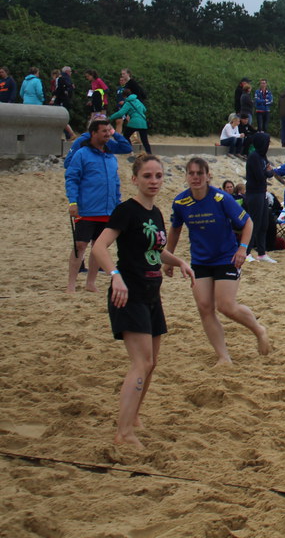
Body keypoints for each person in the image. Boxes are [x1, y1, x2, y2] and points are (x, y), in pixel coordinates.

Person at [89, 154, 193, 448]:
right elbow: (99, 247)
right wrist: (115, 275)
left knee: (152, 363)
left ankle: (133, 416)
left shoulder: (156, 213)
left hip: (151, 293)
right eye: (147, 176)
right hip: (129, 293)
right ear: (134, 179)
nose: (154, 181)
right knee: (141, 362)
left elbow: (156, 250)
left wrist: (179, 261)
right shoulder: (126, 211)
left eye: (158, 176)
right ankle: (123, 433)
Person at [165, 157, 270, 365]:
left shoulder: (221, 198)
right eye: (191, 173)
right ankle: (223, 356)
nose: (195, 177)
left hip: (226, 257)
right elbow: (175, 229)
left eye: (200, 173)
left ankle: (259, 330)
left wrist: (242, 249)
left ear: (208, 176)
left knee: (226, 306)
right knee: (204, 307)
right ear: (186, 176)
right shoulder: (180, 202)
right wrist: (169, 258)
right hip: (200, 260)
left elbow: (248, 222)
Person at [64, 117, 133, 293]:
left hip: (108, 209)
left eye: (109, 131)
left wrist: (117, 204)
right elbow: (72, 178)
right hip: (87, 209)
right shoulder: (82, 153)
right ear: (93, 133)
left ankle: (90, 282)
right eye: (104, 131)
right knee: (80, 245)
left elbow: (115, 183)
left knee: (99, 247)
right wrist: (73, 202)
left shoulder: (110, 156)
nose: (108, 134)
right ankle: (71, 284)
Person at [243, 132, 277, 264]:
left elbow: (271, 173)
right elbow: (260, 176)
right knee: (254, 223)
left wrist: (267, 172)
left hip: (263, 193)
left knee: (264, 224)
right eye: (266, 143)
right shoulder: (254, 157)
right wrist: (267, 172)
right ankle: (246, 252)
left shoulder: (263, 156)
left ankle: (262, 253)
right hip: (254, 193)